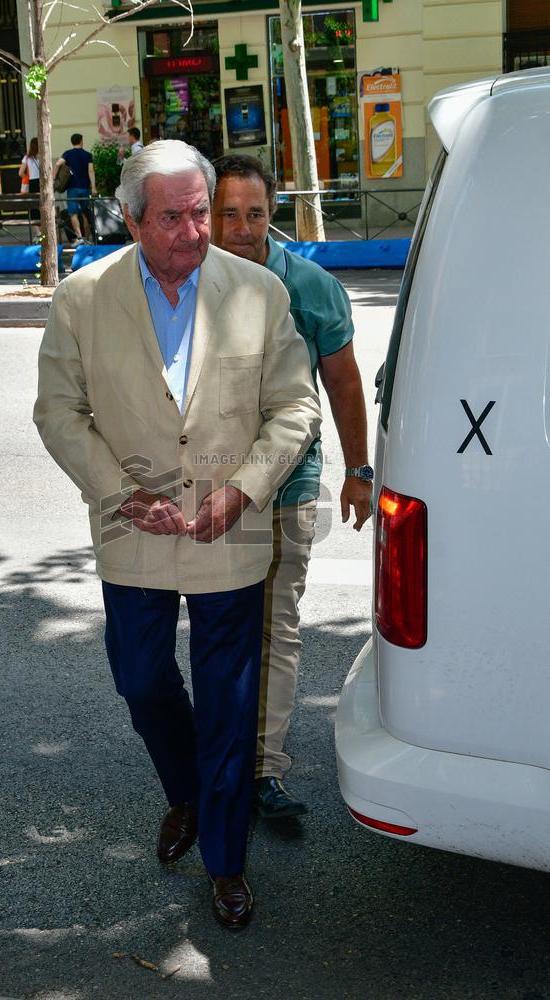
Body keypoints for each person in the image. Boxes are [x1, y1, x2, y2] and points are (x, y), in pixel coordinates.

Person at [33, 140, 321, 929]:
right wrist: (121, 493)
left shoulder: (259, 292)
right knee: (140, 680)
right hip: (133, 528)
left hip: (230, 527)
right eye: (172, 217)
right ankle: (187, 792)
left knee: (228, 705)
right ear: (129, 218)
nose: (195, 231)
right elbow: (59, 411)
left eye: (201, 211)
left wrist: (245, 489)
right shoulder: (82, 298)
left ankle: (226, 862)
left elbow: (295, 407)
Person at [211, 154, 373, 820]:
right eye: (229, 213)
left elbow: (343, 383)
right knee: (223, 629)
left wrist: (358, 473)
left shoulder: (309, 286)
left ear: (270, 213)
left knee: (275, 628)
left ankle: (263, 772)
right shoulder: (186, 285)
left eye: (254, 213)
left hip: (289, 485)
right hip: (213, 488)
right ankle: (222, 758)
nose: (243, 227)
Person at [53, 133, 97, 245]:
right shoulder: (87, 155)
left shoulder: (67, 154)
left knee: (73, 213)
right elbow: (91, 171)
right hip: (85, 188)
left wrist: (54, 178)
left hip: (72, 188)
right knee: (85, 213)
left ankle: (79, 237)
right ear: (81, 141)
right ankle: (87, 239)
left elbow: (58, 164)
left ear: (72, 142)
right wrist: (94, 187)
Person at [19, 137, 41, 241]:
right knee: (43, 207)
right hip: (42, 183)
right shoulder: (43, 156)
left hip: (33, 183)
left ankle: (39, 234)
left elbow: (20, 173)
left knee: (34, 209)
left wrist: (27, 175)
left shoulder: (27, 158)